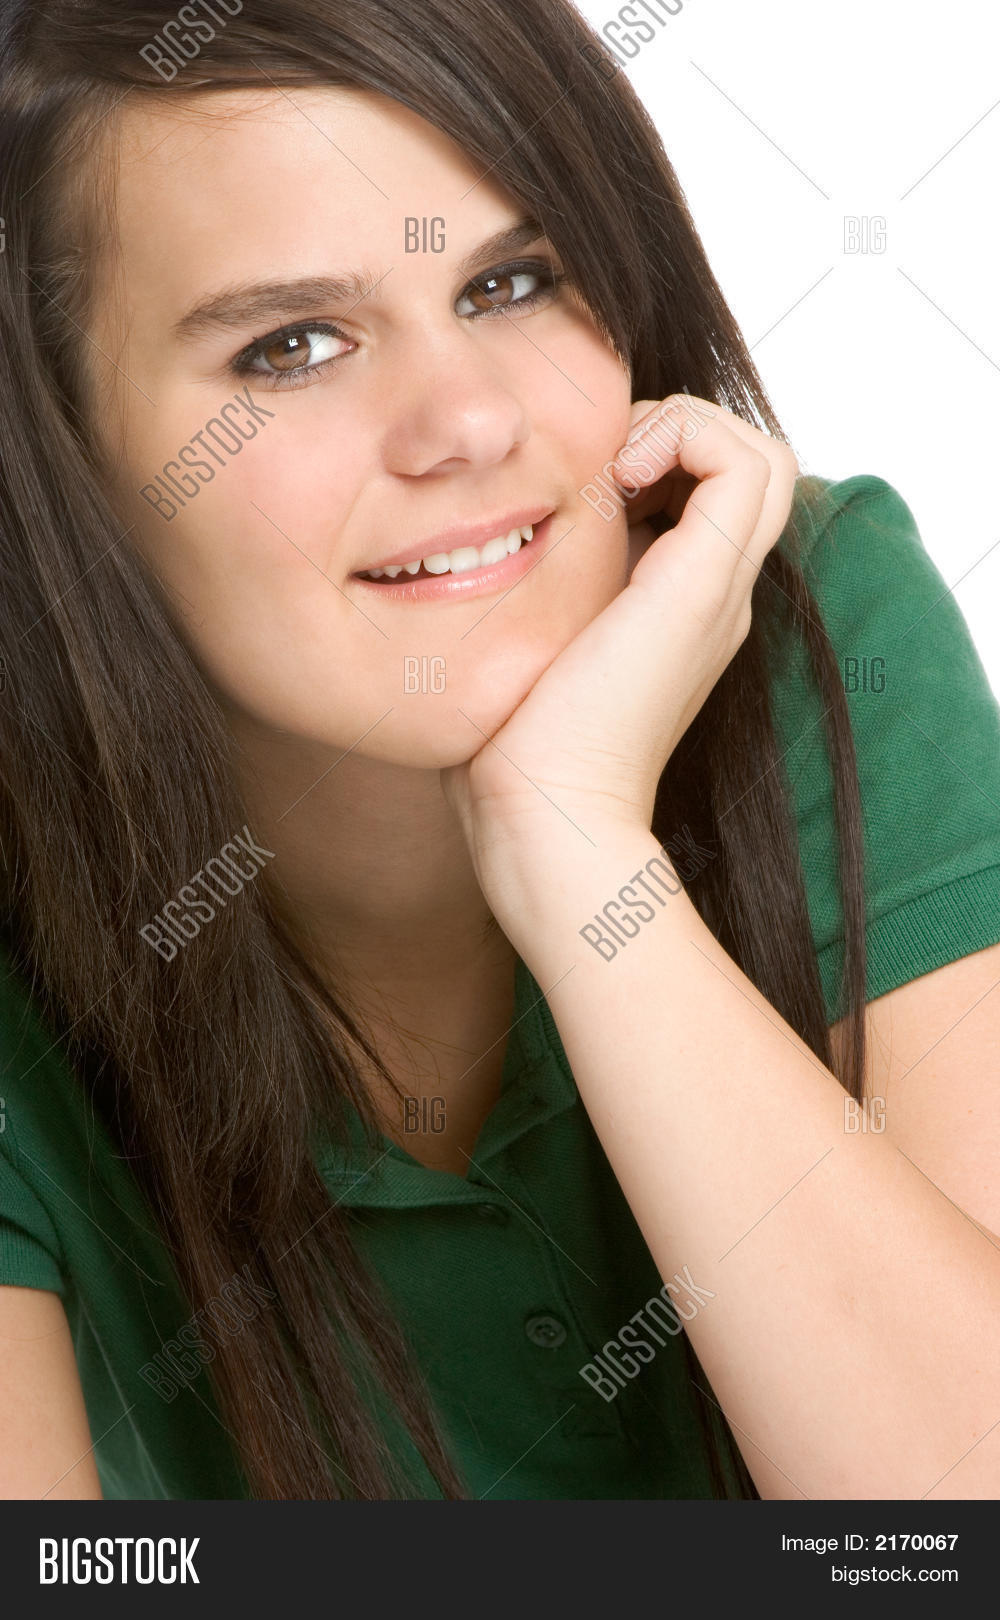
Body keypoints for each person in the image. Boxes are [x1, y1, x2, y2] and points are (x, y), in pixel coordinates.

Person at [1, 0, 998, 1503]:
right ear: (60, 460)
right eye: (292, 346)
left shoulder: (806, 621)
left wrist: (578, 849)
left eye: (511, 282)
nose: (467, 422)